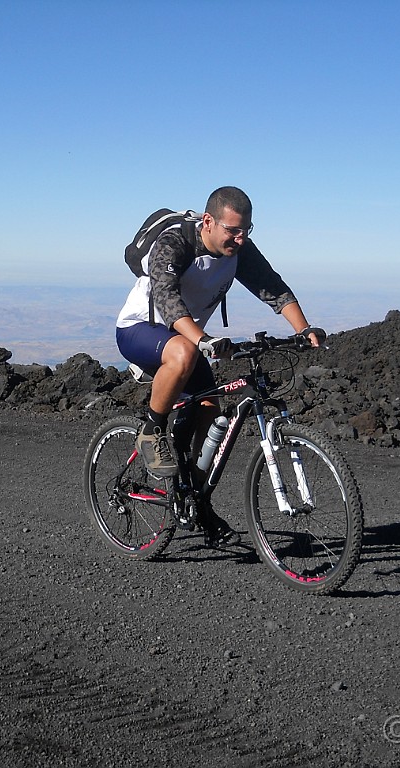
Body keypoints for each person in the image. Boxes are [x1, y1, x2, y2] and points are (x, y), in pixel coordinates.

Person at [115, 186, 325, 547]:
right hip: (139, 330)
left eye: (247, 230)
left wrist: (302, 329)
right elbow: (168, 301)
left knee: (211, 414)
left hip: (189, 340)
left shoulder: (239, 250)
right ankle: (151, 430)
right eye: (232, 230)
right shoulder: (175, 242)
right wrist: (204, 340)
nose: (240, 238)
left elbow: (272, 288)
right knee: (183, 352)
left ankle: (196, 500)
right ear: (208, 222)